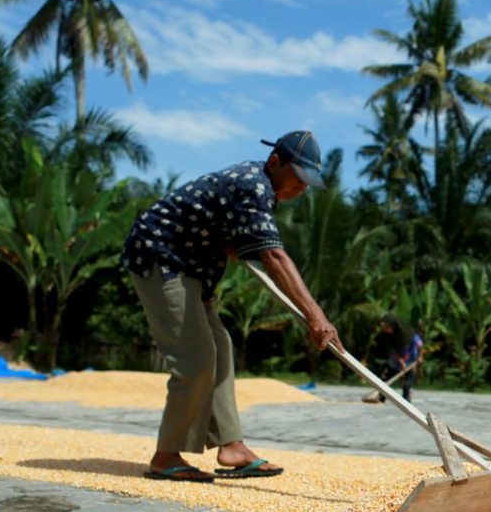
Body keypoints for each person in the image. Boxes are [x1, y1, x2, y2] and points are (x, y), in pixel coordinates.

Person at [121, 131, 340, 482]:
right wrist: (317, 317)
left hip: (192, 266)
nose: (301, 189)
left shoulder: (261, 190)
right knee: (194, 358)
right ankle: (166, 456)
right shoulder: (252, 185)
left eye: (307, 184)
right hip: (161, 257)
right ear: (275, 162)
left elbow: (231, 236)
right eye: (297, 179)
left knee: (220, 348)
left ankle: (231, 445)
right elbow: (273, 255)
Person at [376, 313, 423, 401]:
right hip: (395, 363)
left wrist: (420, 357)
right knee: (385, 380)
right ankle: (381, 398)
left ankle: (406, 400)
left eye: (386, 326)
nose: (384, 328)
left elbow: (419, 345)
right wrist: (401, 362)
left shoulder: (409, 334)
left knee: (407, 384)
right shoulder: (387, 336)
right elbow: (393, 351)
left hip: (410, 362)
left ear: (392, 326)